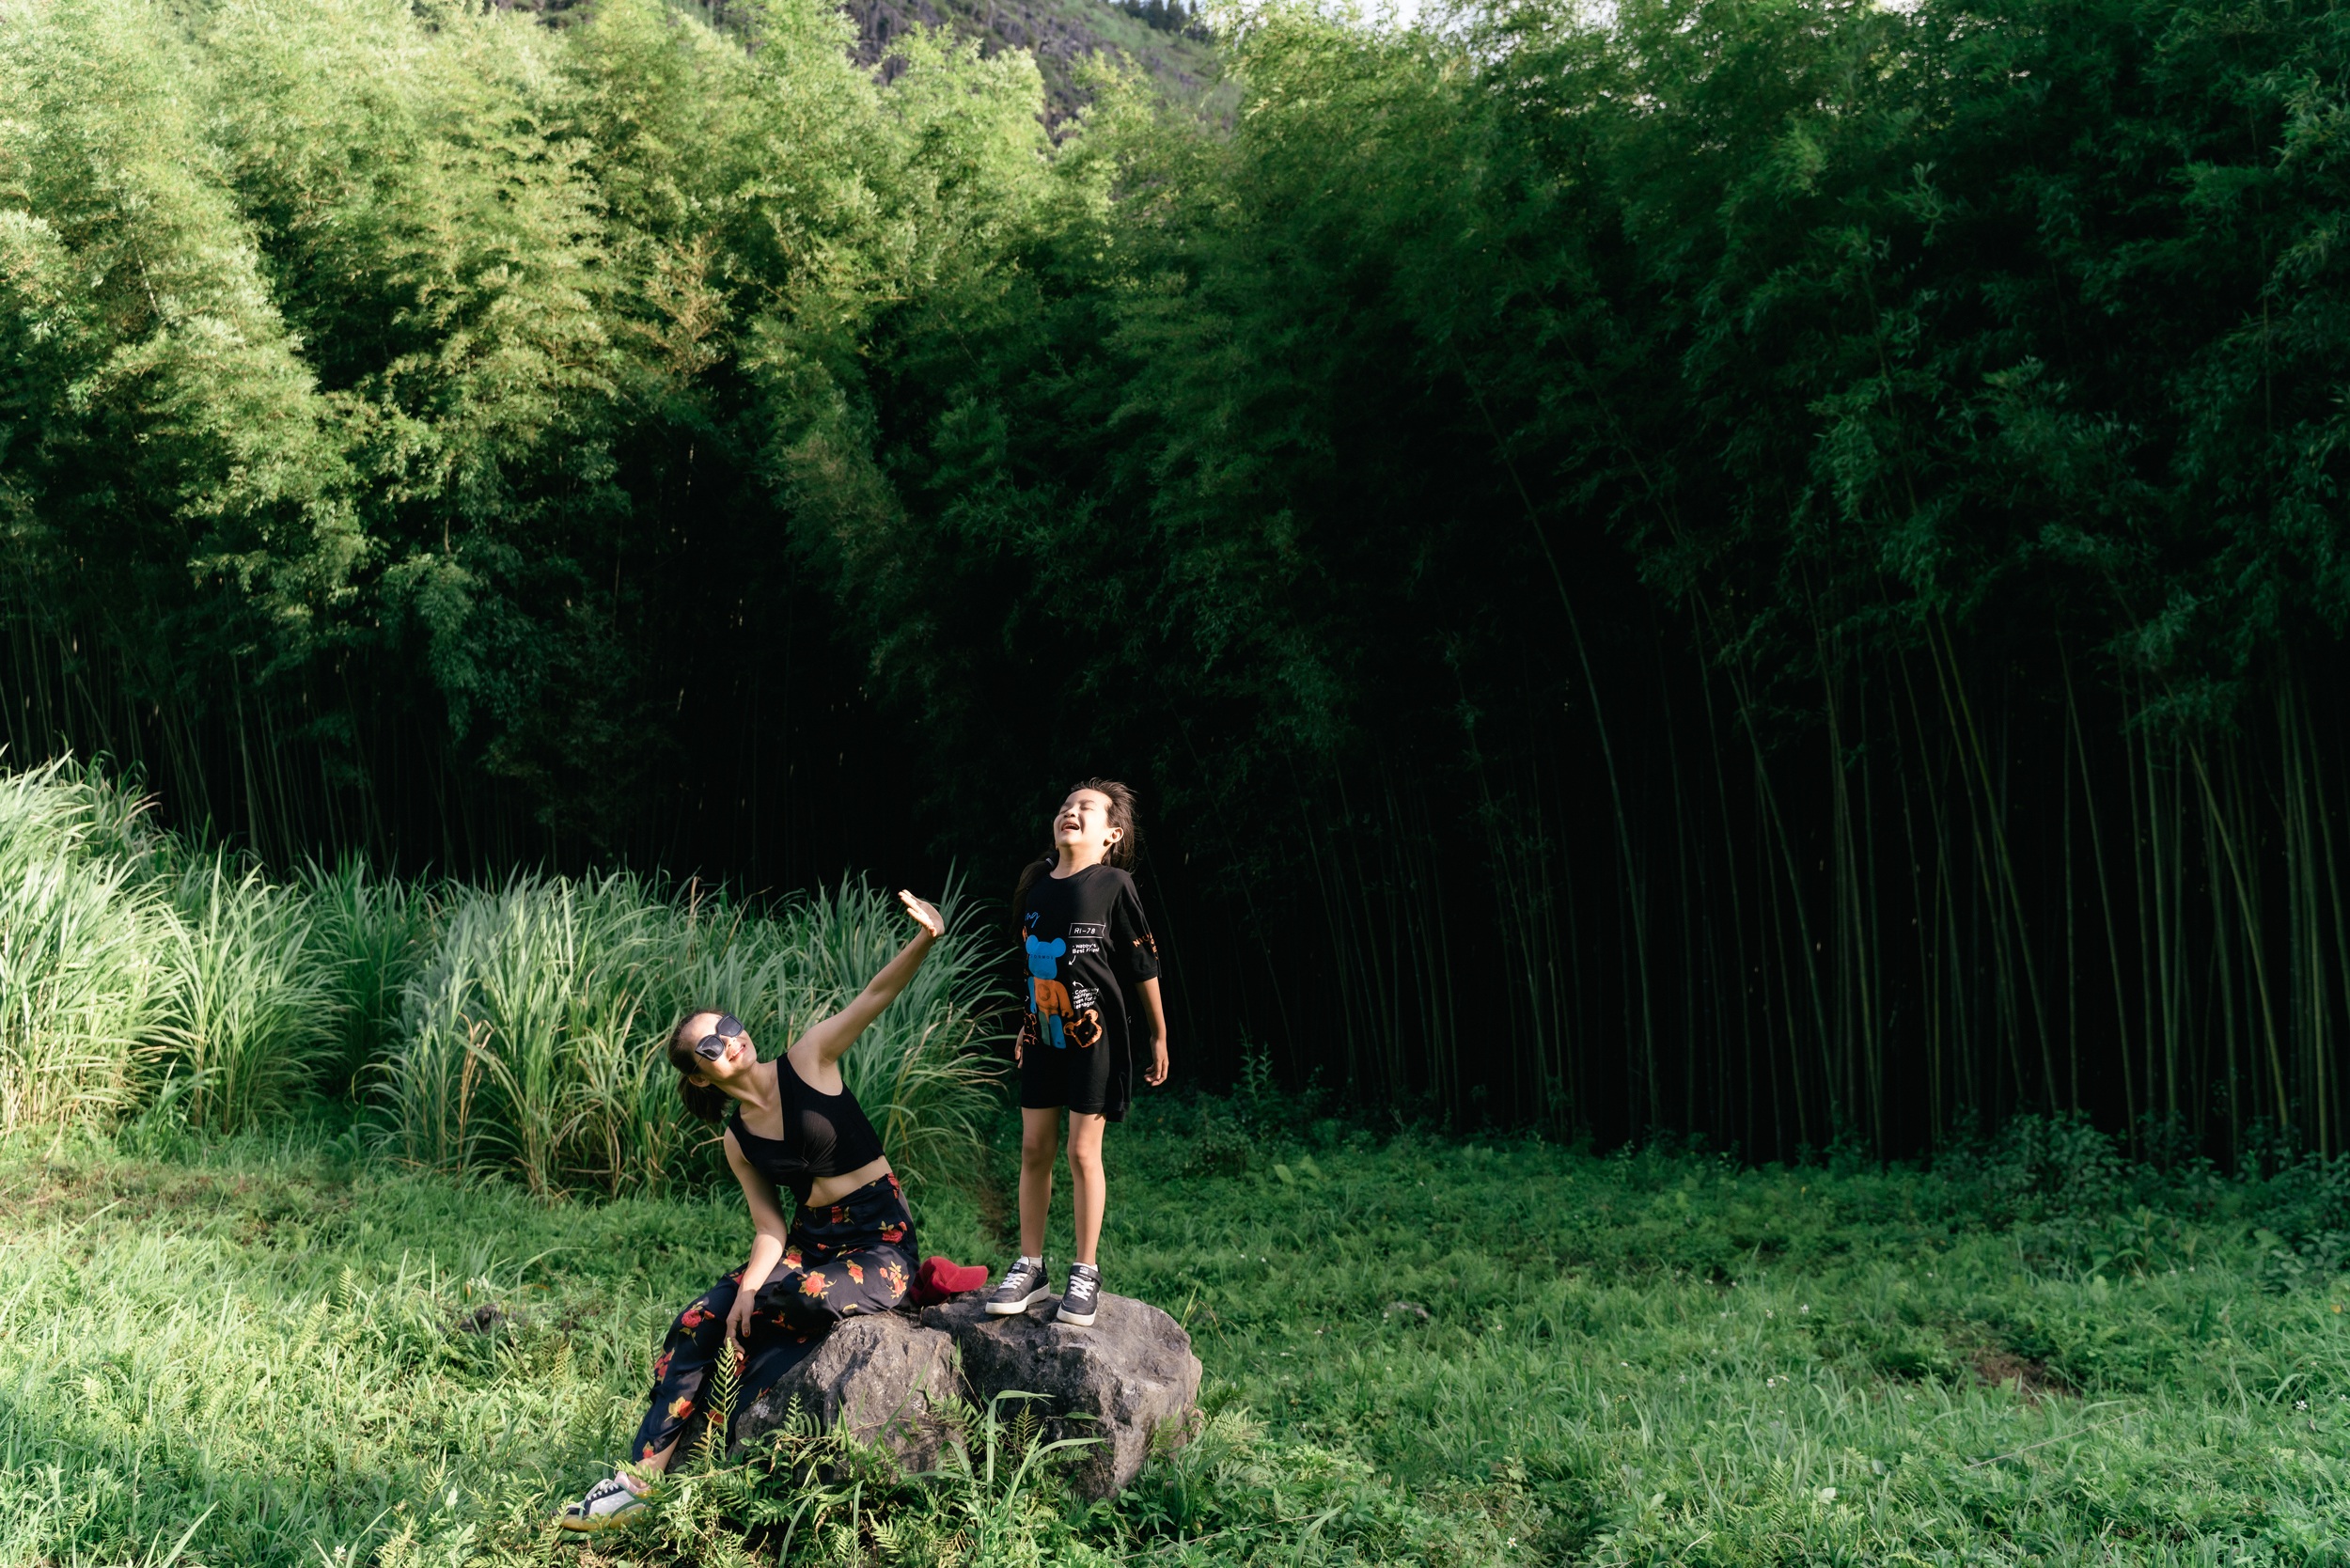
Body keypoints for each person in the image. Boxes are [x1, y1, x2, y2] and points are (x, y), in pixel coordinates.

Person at [559, 889, 946, 1533]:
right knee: (704, 1317)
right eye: (709, 1046)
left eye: (729, 1029)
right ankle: (640, 1477)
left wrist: (924, 940)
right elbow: (770, 1226)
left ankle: (919, 1281)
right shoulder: (737, 1139)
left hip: (879, 1237)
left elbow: (873, 996)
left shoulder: (809, 1059)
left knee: (786, 1302)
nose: (728, 1042)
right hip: (813, 1241)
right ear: (701, 1076)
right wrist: (752, 1282)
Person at [983, 779, 1169, 1327]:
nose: (1070, 812)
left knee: (1082, 1153)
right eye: (1065, 806)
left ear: (1112, 834)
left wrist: (1158, 1034)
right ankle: (1030, 1265)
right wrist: (1025, 1025)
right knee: (1034, 1148)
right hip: (1043, 1035)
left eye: (1085, 808)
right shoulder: (1037, 888)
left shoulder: (1114, 883)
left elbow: (1143, 965)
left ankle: (1084, 1270)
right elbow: (1034, 969)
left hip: (1094, 1038)